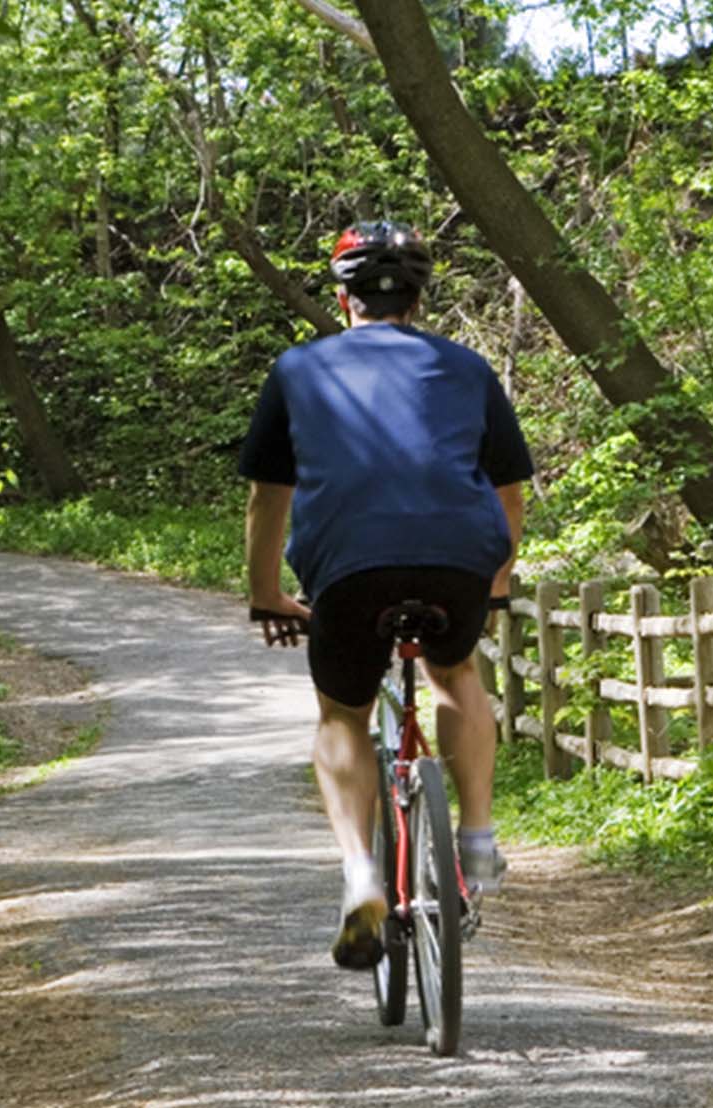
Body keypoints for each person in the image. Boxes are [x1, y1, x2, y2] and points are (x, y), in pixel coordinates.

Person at [238, 221, 534, 969]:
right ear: (418, 298)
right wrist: (494, 582)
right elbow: (509, 494)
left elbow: (267, 499)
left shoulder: (298, 369)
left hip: (348, 564)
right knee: (456, 670)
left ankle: (362, 876)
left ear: (344, 300)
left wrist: (268, 592)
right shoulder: (466, 369)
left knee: (343, 712)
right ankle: (478, 838)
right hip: (458, 557)